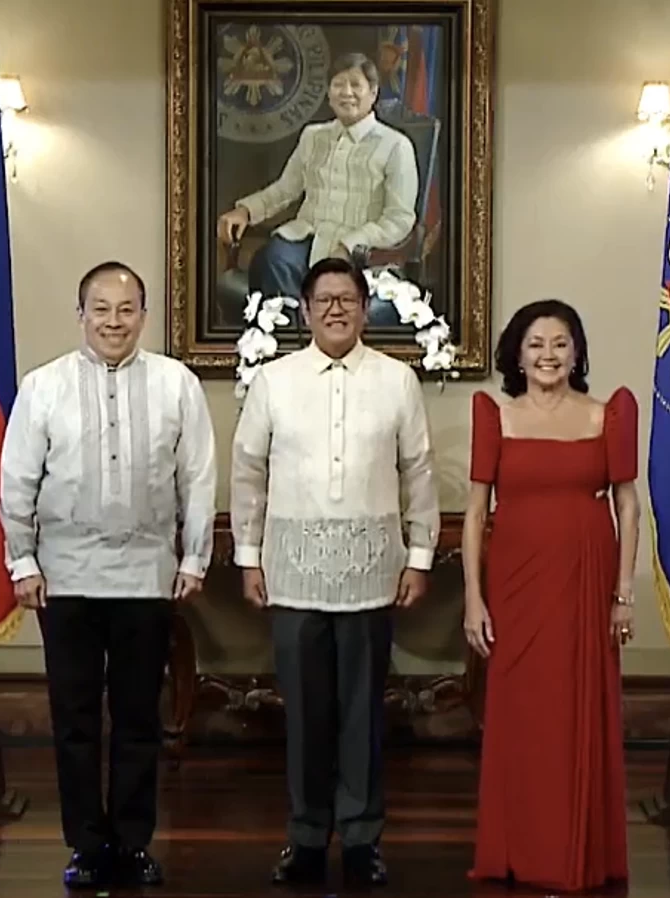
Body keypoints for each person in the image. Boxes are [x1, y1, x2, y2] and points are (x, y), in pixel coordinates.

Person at [0, 261, 217, 890]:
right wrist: (23, 560)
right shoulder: (44, 388)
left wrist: (194, 557)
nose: (113, 321)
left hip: (146, 574)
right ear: (81, 315)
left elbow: (197, 477)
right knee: (74, 718)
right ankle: (87, 845)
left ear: (143, 316)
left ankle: (132, 841)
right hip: (63, 578)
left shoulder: (177, 384)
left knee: (138, 717)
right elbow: (17, 480)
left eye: (126, 310)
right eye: (101, 308)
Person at [230, 256, 439, 888]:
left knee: (362, 715)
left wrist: (421, 556)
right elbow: (248, 472)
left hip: (374, 574)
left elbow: (418, 473)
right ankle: (304, 835)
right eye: (324, 300)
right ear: (305, 307)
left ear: (364, 306)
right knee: (306, 714)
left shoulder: (398, 380)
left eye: (347, 298)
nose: (336, 310)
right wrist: (247, 557)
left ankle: (361, 837)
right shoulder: (274, 380)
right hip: (293, 572)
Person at [462, 299, 639, 892]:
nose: (548, 355)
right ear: (517, 353)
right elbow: (474, 512)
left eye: (561, 343)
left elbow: (628, 505)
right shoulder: (495, 416)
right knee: (522, 715)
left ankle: (578, 850)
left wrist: (623, 594)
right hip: (514, 585)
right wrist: (473, 599)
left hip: (587, 581)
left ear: (577, 352)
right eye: (536, 343)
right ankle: (520, 850)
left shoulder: (607, 414)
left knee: (576, 710)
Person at [217, 52, 418, 326]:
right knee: (272, 259)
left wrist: (351, 244)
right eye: (338, 84)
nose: (346, 93)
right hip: (308, 237)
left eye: (355, 85)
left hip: (362, 252)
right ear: (328, 93)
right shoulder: (314, 136)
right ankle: (289, 347)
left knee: (333, 282)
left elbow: (399, 219)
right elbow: (285, 189)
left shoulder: (396, 145)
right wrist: (245, 211)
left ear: (373, 93)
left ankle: (317, 346)